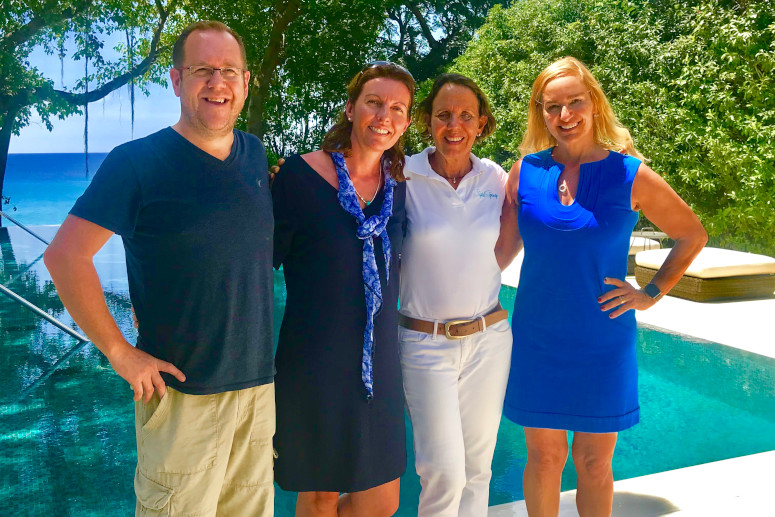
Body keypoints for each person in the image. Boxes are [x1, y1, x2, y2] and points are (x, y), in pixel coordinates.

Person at [43, 21, 275, 516]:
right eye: (202, 69)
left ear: (245, 82)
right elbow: (65, 256)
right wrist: (119, 352)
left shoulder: (255, 156)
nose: (217, 82)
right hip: (180, 396)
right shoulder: (136, 163)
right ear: (176, 79)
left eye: (229, 71)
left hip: (256, 393)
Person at [503, 56, 707, 517]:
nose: (565, 115)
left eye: (575, 102)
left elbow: (692, 234)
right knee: (544, 460)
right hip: (536, 338)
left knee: (594, 463)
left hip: (602, 339)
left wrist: (650, 293)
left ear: (594, 103)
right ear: (541, 113)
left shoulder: (630, 174)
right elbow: (500, 248)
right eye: (552, 106)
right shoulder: (525, 171)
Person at [271, 61, 414, 517]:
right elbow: (254, 260)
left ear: (406, 122)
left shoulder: (398, 188)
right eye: (374, 102)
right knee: (318, 496)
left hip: (378, 363)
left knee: (383, 500)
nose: (384, 116)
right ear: (351, 109)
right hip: (314, 360)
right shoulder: (298, 176)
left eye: (397, 108)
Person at [397, 73, 521, 516]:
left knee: (478, 469)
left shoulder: (494, 177)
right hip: (423, 342)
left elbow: (509, 239)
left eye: (466, 115)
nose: (454, 125)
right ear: (427, 122)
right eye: (444, 115)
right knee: (443, 473)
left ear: (481, 124)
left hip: (489, 340)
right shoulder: (402, 173)